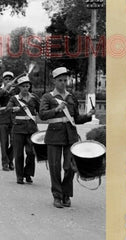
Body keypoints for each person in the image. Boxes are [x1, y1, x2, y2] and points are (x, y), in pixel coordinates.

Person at [39, 67, 95, 208]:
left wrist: (87, 116)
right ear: (54, 81)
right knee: (55, 167)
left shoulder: (71, 97)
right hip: (54, 135)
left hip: (70, 136)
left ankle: (66, 194)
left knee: (70, 167)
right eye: (60, 80)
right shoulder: (48, 97)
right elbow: (42, 115)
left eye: (65, 80)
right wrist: (56, 109)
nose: (63, 83)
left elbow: (76, 118)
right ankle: (57, 196)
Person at [6, 76, 40, 184]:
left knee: (31, 153)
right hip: (18, 129)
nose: (26, 88)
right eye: (23, 86)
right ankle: (19, 176)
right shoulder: (14, 99)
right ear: (19, 87)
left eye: (27, 86)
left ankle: (28, 173)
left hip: (31, 129)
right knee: (19, 154)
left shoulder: (34, 98)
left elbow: (41, 111)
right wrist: (13, 109)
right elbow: (7, 109)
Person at [0, 71, 16, 171]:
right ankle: (5, 162)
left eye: (10, 79)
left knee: (15, 142)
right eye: (6, 79)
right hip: (3, 118)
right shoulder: (0, 90)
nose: (8, 81)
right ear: (3, 81)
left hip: (14, 119)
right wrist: (5, 88)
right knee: (4, 142)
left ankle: (10, 159)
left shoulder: (16, 91)